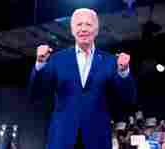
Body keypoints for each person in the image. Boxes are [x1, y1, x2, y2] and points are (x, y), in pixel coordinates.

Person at [28, 8, 136, 149]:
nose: (83, 29)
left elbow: (128, 98)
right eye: (79, 25)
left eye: (88, 25)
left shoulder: (110, 62)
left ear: (96, 30)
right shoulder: (57, 59)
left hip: (97, 140)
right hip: (62, 139)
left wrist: (124, 72)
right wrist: (40, 64)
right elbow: (34, 93)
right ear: (72, 30)